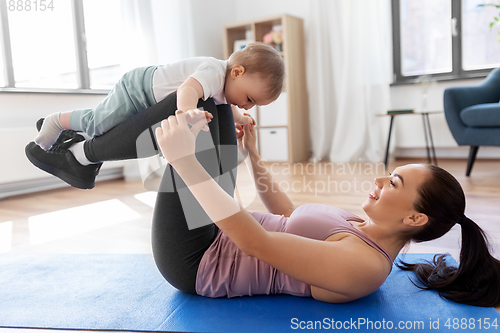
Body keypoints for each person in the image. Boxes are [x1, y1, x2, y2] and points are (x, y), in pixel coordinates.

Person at [25, 95, 500, 306]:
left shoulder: (365, 268)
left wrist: (186, 163)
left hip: (196, 260)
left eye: (394, 182)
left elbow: (256, 243)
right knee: (213, 105)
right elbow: (290, 217)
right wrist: (253, 155)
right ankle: (83, 158)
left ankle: (83, 156)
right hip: (214, 232)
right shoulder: (366, 226)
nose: (379, 178)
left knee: (195, 108)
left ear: (416, 216)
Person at [27, 42, 283, 189]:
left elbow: (229, 106)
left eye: (254, 105)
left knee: (110, 131)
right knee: (97, 124)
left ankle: (77, 144)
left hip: (146, 100)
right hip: (135, 90)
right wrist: (187, 113)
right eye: (249, 99)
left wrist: (240, 118)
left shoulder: (224, 89)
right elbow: (188, 89)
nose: (248, 106)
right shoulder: (214, 71)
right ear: (237, 72)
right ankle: (57, 121)